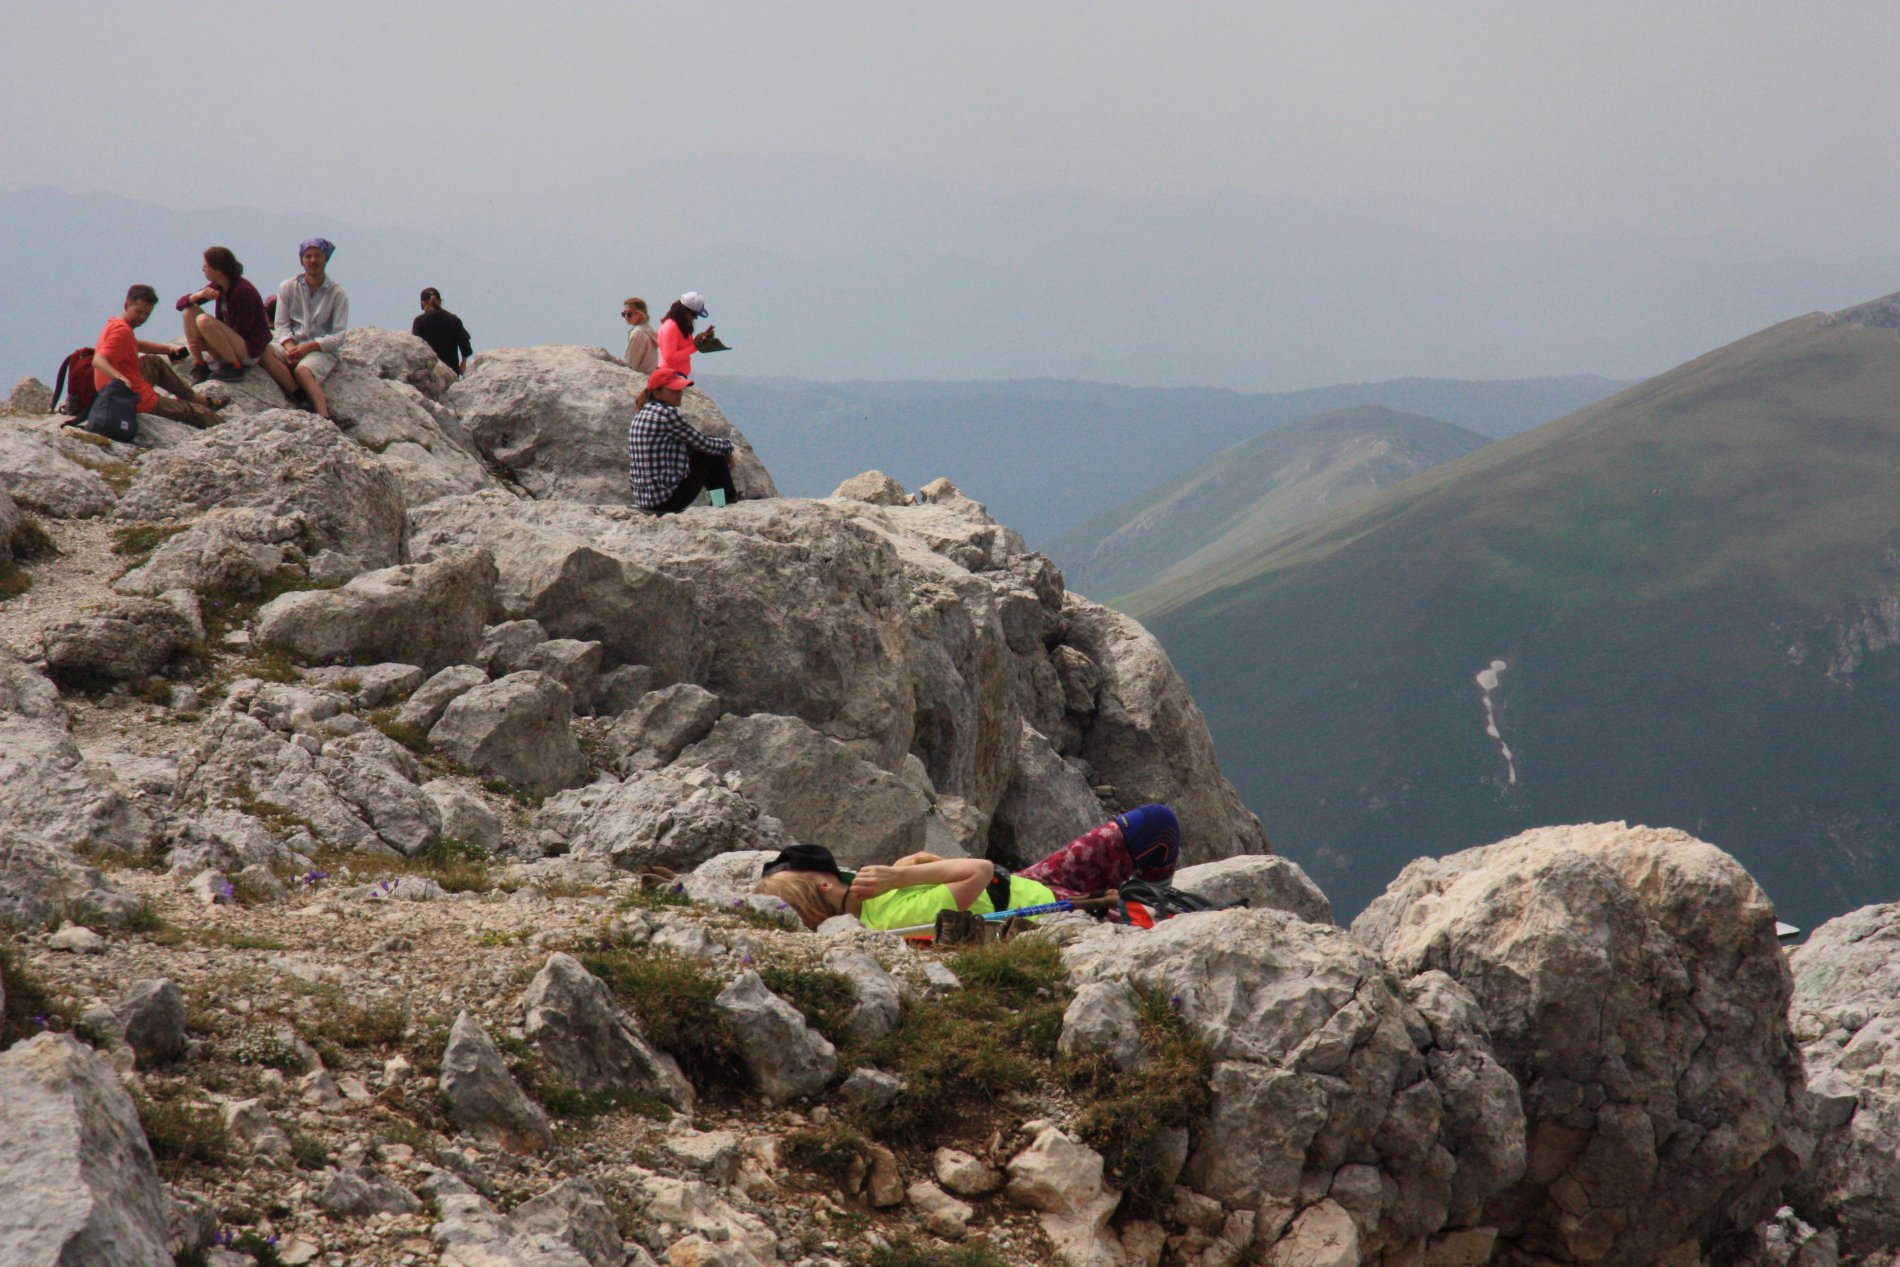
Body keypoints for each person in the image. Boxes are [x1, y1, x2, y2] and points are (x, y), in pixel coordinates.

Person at [756, 804, 1182, 932]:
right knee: (1180, 920)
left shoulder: (873, 902)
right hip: (1059, 909)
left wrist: (905, 870)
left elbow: (936, 865)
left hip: (1027, 884)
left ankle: (1150, 892)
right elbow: (977, 871)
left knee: (1156, 823)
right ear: (826, 886)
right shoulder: (891, 915)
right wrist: (902, 878)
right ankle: (1148, 903)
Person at [91, 284, 221, 428]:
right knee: (201, 413)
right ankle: (210, 416)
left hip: (116, 392)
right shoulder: (122, 332)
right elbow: (98, 360)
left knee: (153, 362)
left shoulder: (115, 324)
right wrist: (120, 378)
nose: (142, 318)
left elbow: (137, 344)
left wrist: (169, 349)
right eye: (139, 311)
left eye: (147, 314)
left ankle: (193, 397)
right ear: (127, 305)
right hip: (134, 398)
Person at [626, 366, 739, 514]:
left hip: (645, 499)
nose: (679, 394)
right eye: (673, 390)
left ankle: (721, 501)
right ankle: (725, 500)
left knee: (703, 449)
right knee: (709, 453)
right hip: (666, 501)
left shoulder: (643, 412)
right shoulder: (667, 414)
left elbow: (691, 441)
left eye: (680, 389)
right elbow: (704, 444)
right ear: (656, 392)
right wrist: (728, 448)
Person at [262, 237, 349, 423]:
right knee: (262, 351)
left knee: (303, 370)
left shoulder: (337, 293)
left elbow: (339, 335)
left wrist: (309, 347)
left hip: (322, 350)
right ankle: (299, 395)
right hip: (292, 345)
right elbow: (282, 325)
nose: (313, 261)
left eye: (318, 256)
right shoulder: (288, 287)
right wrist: (290, 346)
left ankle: (324, 416)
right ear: (301, 260)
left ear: (326, 259)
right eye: (308, 256)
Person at [177, 246, 271, 384]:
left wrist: (209, 340)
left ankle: (234, 366)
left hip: (247, 351)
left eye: (206, 266)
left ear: (218, 270)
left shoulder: (242, 291)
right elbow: (180, 305)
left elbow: (242, 330)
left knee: (203, 321)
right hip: (229, 345)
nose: (203, 269)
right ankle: (200, 365)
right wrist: (196, 296)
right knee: (188, 311)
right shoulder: (218, 286)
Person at [412, 287, 473, 374]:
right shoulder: (453, 319)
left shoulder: (419, 321)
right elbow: (465, 345)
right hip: (451, 371)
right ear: (440, 301)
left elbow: (415, 346)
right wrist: (463, 363)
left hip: (429, 372)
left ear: (422, 303)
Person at [655, 291, 710, 377]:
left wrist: (702, 340)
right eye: (694, 314)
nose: (695, 318)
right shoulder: (671, 326)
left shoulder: (680, 326)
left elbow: (683, 346)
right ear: (683, 311)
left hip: (677, 375)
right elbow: (669, 358)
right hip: (669, 376)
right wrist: (695, 346)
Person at [621, 297, 658, 373]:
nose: (626, 316)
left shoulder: (638, 333)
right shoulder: (649, 331)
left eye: (629, 314)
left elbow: (630, 363)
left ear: (640, 314)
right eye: (624, 313)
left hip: (639, 378)